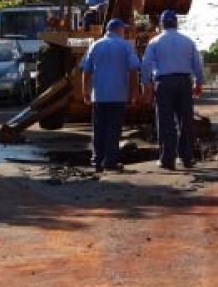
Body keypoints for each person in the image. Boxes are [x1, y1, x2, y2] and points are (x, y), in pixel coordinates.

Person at [142, 10, 204, 170]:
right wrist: (198, 83)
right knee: (186, 121)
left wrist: (147, 85)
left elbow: (146, 65)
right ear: (176, 23)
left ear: (162, 24)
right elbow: (197, 65)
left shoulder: (155, 42)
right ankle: (186, 158)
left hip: (163, 83)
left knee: (165, 121)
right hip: (184, 82)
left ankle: (167, 159)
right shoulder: (188, 41)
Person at [80, 18, 141, 173]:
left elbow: (86, 71)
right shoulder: (126, 46)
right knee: (114, 129)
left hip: (99, 95)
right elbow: (133, 70)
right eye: (124, 30)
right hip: (118, 95)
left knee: (99, 128)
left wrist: (85, 92)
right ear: (119, 30)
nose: (125, 32)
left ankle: (97, 161)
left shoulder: (95, 45)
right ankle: (111, 162)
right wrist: (134, 92)